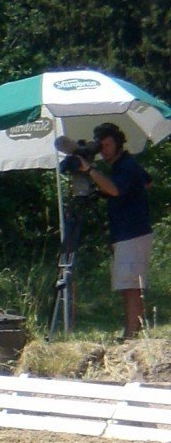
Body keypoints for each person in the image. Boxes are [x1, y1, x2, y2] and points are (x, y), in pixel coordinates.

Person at [83, 122, 155, 339]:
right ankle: (134, 331)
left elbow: (114, 189)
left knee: (130, 284)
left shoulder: (125, 166)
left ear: (118, 144)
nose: (103, 150)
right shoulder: (126, 164)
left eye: (107, 145)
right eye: (100, 146)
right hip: (131, 231)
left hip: (131, 232)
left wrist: (88, 169)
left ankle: (131, 335)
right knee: (130, 283)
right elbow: (148, 182)